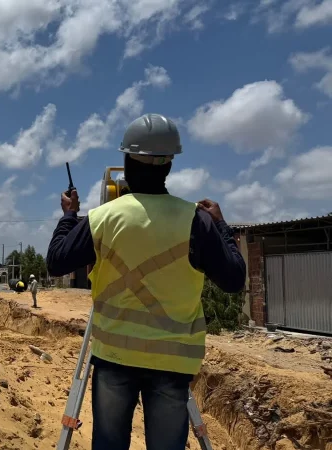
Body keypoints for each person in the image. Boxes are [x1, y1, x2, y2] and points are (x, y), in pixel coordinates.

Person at [46, 113, 246, 450]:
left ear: (126, 161)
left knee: (109, 443)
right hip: (172, 363)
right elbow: (234, 278)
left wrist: (69, 216)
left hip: (114, 358)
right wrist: (221, 226)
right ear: (169, 165)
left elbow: (56, 261)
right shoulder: (196, 221)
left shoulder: (103, 218)